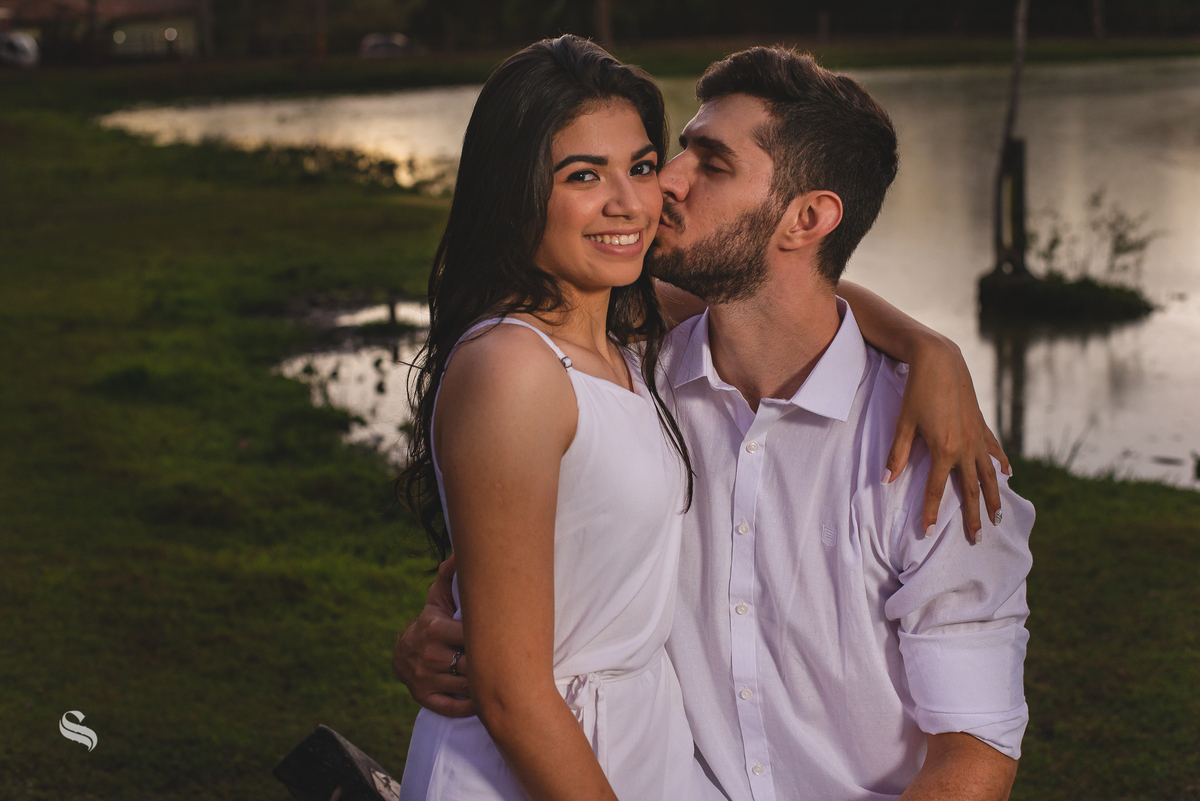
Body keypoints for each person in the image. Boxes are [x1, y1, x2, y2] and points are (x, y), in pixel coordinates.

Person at [395, 45, 1033, 801]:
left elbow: (974, 750)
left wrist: (928, 345)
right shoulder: (632, 363)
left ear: (808, 217)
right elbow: (528, 618)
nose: (661, 185)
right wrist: (449, 634)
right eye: (676, 151)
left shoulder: (929, 447)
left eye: (709, 163)